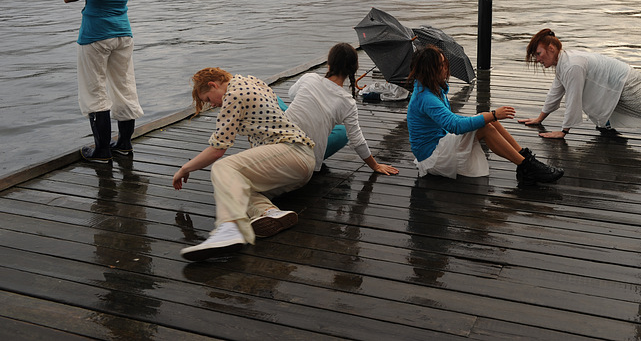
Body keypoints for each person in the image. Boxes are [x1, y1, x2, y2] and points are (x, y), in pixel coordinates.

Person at [172, 68, 316, 262]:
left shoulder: (233, 95)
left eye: (208, 99)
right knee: (235, 187)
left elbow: (217, 149)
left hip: (291, 152)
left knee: (223, 168)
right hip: (296, 162)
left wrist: (184, 169)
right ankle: (269, 212)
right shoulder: (254, 82)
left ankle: (228, 228)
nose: (213, 104)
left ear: (213, 85)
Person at [406, 45, 563, 186]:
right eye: (441, 65)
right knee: (486, 127)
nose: (446, 68)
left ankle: (524, 158)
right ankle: (526, 167)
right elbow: (455, 126)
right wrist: (493, 114)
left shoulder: (432, 90)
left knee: (485, 119)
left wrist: (488, 116)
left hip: (439, 143)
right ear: (429, 70)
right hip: (431, 156)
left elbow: (453, 120)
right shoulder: (426, 97)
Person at [63, 0, 143, 163]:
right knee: (125, 87)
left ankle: (101, 151)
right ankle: (124, 144)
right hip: (123, 34)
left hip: (95, 35)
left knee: (95, 91)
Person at [284, 43, 399, 176]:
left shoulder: (309, 78)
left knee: (281, 103)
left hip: (282, 136)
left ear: (329, 63)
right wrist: (375, 165)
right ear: (354, 69)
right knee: (343, 131)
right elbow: (357, 140)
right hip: (307, 159)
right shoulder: (347, 101)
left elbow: (291, 95)